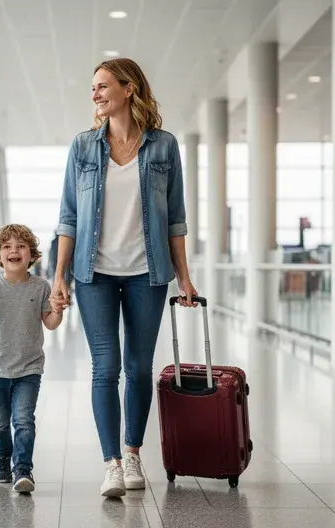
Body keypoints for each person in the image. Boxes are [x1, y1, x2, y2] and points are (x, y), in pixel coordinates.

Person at [50, 57, 198, 497]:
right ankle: (110, 463)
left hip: (146, 274)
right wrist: (59, 276)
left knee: (137, 368)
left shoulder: (164, 147)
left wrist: (184, 278)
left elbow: (175, 220)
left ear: (129, 88)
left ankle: (132, 455)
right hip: (93, 274)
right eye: (92, 88)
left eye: (102, 86)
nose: (94, 94)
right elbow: (68, 217)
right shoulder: (82, 147)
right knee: (105, 367)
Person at [0, 224, 64, 494]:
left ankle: (23, 468)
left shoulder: (41, 287)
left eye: (20, 246)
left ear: (31, 254)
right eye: (7, 246)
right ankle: (1, 457)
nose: (14, 251)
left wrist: (58, 310)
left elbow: (51, 323)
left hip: (29, 369)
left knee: (23, 420)